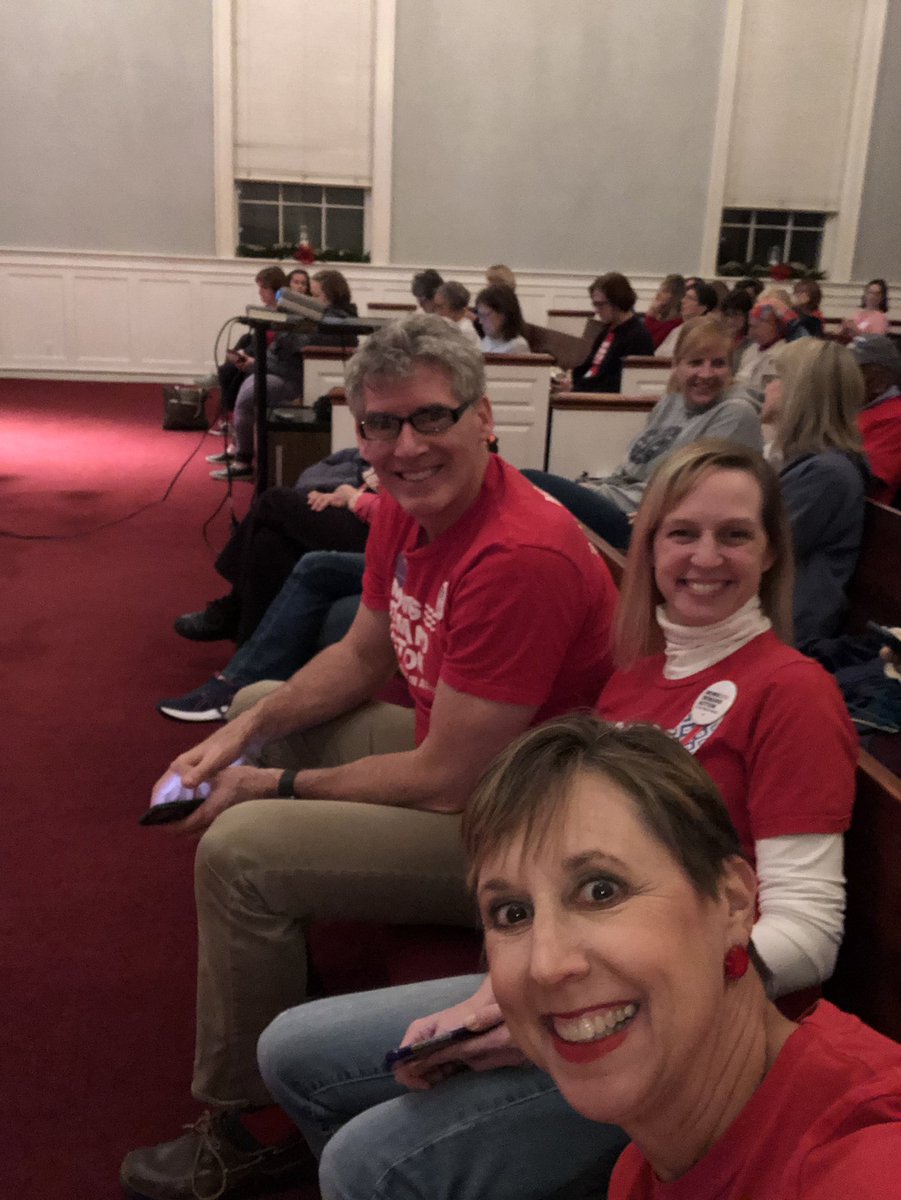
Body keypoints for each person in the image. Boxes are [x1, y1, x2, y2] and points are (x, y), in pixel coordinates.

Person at [257, 440, 856, 1200]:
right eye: (681, 533)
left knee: (364, 1164)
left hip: (698, 1034)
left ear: (769, 553)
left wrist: (567, 1009)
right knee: (291, 1051)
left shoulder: (793, 692)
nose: (706, 557)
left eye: (734, 534)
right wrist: (497, 998)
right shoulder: (633, 683)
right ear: (649, 548)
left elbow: (810, 932)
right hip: (577, 971)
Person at [120, 314, 619, 1200]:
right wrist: (236, 735)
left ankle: (248, 1129)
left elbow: (447, 780)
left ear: (482, 418)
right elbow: (361, 656)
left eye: (430, 417)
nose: (405, 447)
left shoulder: (518, 555)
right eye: (381, 425)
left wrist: (269, 785)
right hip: (470, 766)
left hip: (526, 827)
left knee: (240, 850)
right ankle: (274, 962)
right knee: (257, 705)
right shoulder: (405, 509)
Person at [464, 715, 901, 1200]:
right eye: (512, 913)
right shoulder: (641, 1172)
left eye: (601, 891)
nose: (546, 965)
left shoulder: (866, 1161)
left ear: (733, 903)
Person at [523, 317, 762, 549]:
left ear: (731, 369)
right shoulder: (671, 402)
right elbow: (631, 470)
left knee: (528, 482)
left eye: (718, 364)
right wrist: (589, 488)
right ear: (677, 366)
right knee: (528, 496)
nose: (706, 373)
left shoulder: (736, 413)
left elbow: (707, 490)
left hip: (641, 522)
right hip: (619, 497)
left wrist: (659, 514)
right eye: (696, 362)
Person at [175, 448, 373, 646]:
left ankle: (233, 607)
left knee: (274, 501)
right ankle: (247, 653)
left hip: (377, 527)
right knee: (269, 542)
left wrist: (354, 498)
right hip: (364, 503)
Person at [762, 338, 869, 651]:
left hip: (784, 631)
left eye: (776, 378)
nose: (767, 388)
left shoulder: (827, 475)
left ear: (799, 393)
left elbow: (757, 550)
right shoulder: (807, 463)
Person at [213, 269, 358, 481]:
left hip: (298, 378)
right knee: (242, 382)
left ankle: (243, 460)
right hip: (284, 370)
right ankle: (240, 452)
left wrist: (257, 364)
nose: (309, 298)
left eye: (314, 295)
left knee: (248, 393)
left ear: (330, 296)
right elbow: (282, 350)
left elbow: (296, 351)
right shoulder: (318, 316)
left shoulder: (334, 322)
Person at [209, 266, 287, 436]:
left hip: (270, 358)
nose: (260, 292)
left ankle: (235, 421)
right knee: (228, 369)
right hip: (259, 353)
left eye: (264, 288)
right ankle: (230, 418)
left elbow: (275, 344)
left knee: (239, 373)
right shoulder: (265, 311)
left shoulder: (283, 313)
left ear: (276, 290)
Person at [569, 273, 654, 390]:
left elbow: (619, 384)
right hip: (587, 390)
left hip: (604, 398)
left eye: (600, 304)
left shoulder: (637, 337)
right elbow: (591, 367)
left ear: (617, 302)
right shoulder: (606, 330)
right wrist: (572, 383)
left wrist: (575, 389)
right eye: (594, 304)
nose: (596, 310)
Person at [851, 334, 901, 504]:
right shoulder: (854, 407)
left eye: (855, 370)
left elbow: (861, 479)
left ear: (881, 381)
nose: (844, 377)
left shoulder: (896, 418)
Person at [732, 300, 790, 407]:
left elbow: (764, 395)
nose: (750, 333)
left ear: (772, 326)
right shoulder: (751, 349)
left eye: (755, 327)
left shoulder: (783, 355)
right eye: (750, 326)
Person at [655, 282, 718, 356]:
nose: (683, 301)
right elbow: (658, 354)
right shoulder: (677, 329)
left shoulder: (705, 333)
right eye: (684, 297)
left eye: (689, 298)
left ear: (702, 308)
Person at [475, 284, 530, 353]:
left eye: (485, 315)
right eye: (480, 315)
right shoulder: (487, 340)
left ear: (504, 314)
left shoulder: (518, 346)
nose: (480, 321)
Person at [642, 274, 685, 349]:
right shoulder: (660, 317)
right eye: (659, 290)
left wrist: (651, 315)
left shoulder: (676, 323)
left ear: (675, 296)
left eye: (664, 291)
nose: (658, 294)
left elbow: (648, 343)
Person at [433, 280, 480, 345]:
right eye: (435, 306)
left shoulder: (464, 331)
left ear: (455, 307)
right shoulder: (447, 325)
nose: (436, 312)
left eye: (440, 307)